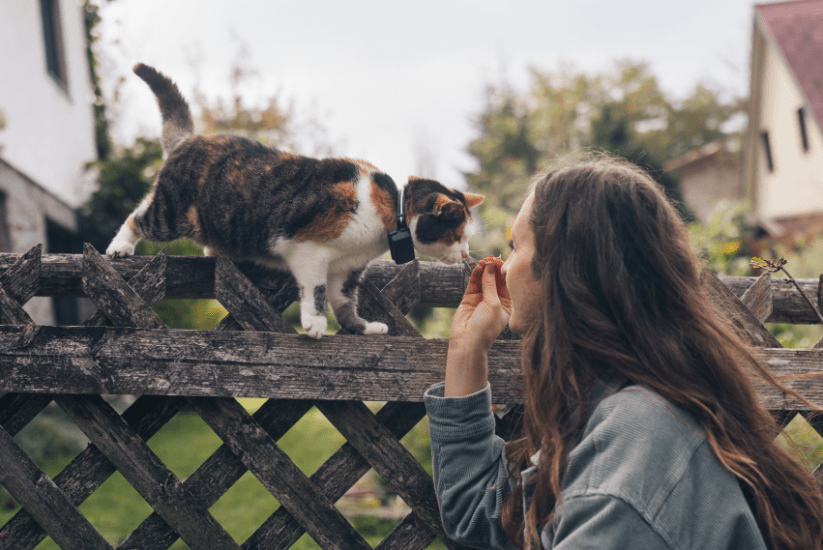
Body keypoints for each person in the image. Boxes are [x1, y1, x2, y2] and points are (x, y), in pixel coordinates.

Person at [424, 155, 823, 550]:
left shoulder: (625, 467)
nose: (505, 268)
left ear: (566, 270)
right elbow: (481, 511)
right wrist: (467, 349)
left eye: (515, 246)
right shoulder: (623, 409)